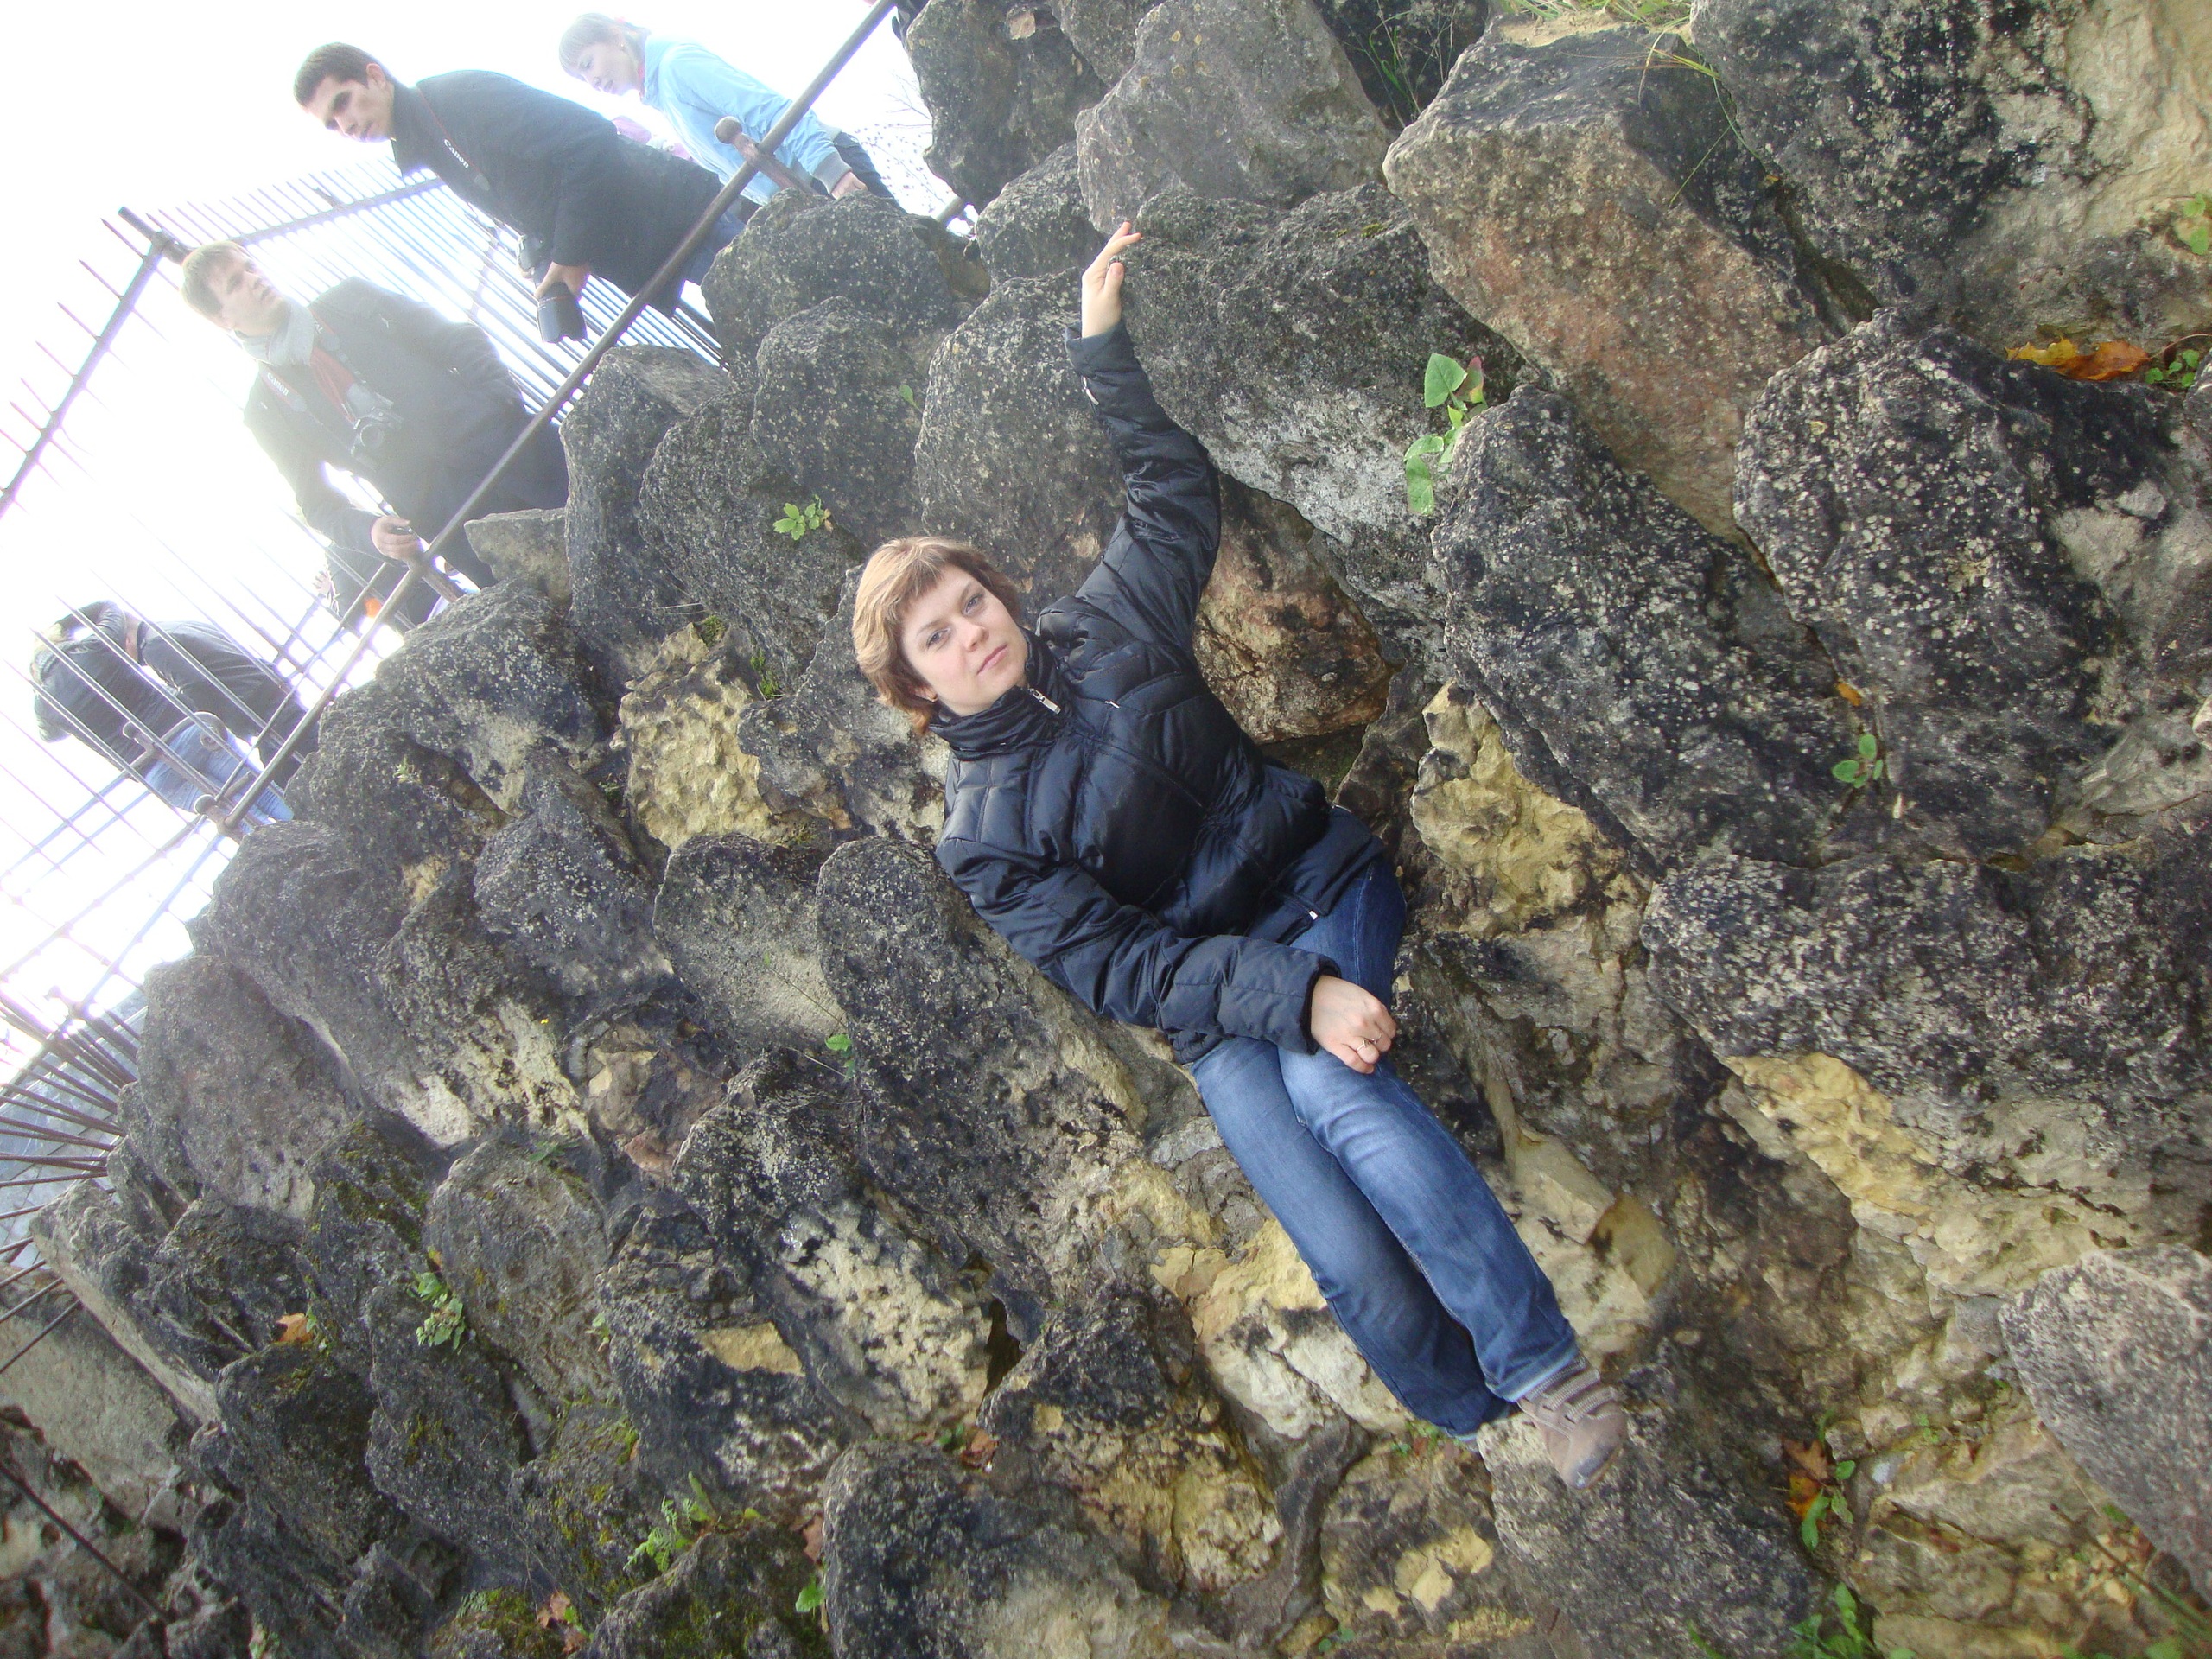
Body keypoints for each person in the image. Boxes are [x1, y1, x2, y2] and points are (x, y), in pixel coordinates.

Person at [850, 230, 1628, 1489]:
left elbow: (1171, 493)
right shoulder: (981, 841)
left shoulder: (1103, 626)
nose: (969, 633)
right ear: (915, 687)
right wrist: (1292, 1000)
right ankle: (1474, 1417)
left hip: (1317, 887)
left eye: (971, 603)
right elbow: (1123, 970)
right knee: (1345, 1255)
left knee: (1342, 1102)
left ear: (1000, 594)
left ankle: (1548, 1376)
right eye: (934, 637)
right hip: (1217, 1014)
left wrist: (1101, 353)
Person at [179, 242, 567, 625]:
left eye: (250, 266)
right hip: (455, 519)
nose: (253, 279)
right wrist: (370, 532)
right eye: (235, 283)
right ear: (221, 319)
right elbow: (317, 504)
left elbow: (458, 339)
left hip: (518, 449)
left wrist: (499, 404)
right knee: (560, 611)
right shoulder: (266, 410)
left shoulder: (350, 300)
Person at [293, 43, 742, 317]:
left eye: (343, 102)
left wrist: (570, 255)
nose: (345, 125)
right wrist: (548, 254)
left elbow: (589, 139)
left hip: (681, 222)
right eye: (332, 124)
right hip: (664, 237)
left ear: (374, 76)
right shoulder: (430, 137)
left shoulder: (455, 98)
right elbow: (544, 187)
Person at [556, 15, 893, 207]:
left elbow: (765, 108)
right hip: (806, 188)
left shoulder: (675, 65)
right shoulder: (661, 93)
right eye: (581, 78)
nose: (592, 81)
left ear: (616, 37)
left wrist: (831, 171)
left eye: (588, 64)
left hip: (823, 172)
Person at [32, 603, 314, 825]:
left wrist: (39, 689)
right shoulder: (95, 648)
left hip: (152, 766)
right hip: (189, 731)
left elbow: (49, 734)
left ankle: (288, 853)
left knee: (237, 817)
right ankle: (316, 829)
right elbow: (108, 608)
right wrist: (64, 624)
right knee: (262, 792)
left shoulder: (45, 703)